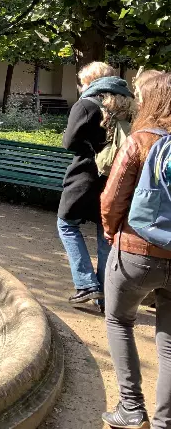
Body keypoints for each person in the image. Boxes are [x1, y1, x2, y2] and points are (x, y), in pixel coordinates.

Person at [101, 73, 171, 429]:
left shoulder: (140, 141)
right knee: (170, 345)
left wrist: (111, 232)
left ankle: (131, 408)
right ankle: (164, 422)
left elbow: (112, 199)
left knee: (119, 320)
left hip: (135, 251)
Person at [59, 62, 133, 309]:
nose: (81, 87)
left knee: (66, 225)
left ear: (90, 82)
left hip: (85, 177)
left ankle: (87, 285)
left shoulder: (86, 105)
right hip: (117, 180)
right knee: (105, 235)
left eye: (82, 82)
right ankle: (106, 296)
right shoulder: (128, 106)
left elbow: (70, 142)